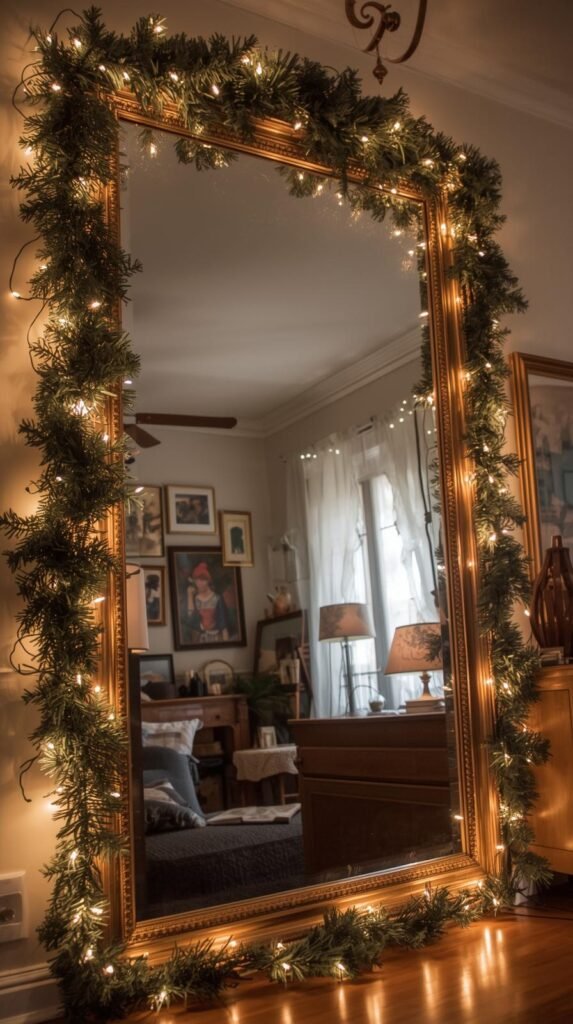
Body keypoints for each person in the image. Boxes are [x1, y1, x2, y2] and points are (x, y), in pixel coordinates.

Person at [186, 562, 229, 643]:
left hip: (216, 638)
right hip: (200, 638)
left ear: (208, 581)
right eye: (197, 580)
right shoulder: (194, 598)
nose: (199, 583)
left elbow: (224, 626)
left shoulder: (217, 598)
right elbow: (190, 618)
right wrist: (189, 596)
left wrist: (226, 643)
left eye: (203, 580)